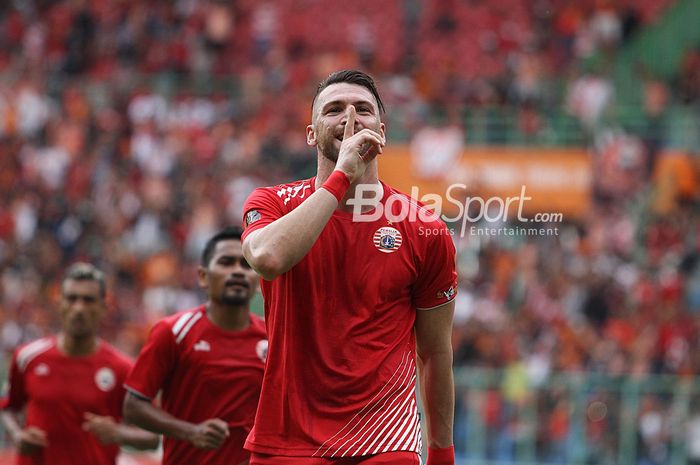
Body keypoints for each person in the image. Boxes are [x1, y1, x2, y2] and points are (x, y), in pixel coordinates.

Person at [241, 70, 458, 465]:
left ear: (382, 131)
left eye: (363, 110)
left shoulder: (424, 229)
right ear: (311, 134)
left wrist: (442, 451)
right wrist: (342, 176)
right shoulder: (273, 202)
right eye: (334, 109)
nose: (351, 117)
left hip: (386, 443)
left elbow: (435, 352)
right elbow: (267, 259)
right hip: (288, 442)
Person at [123, 226, 267, 465]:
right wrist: (190, 431)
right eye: (226, 262)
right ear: (202, 276)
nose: (237, 272)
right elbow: (133, 406)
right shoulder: (174, 332)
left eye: (245, 265)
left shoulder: (272, 337)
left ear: (257, 277)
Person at [0, 262, 159, 465]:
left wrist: (119, 433)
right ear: (60, 304)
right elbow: (8, 408)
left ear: (103, 308)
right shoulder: (27, 357)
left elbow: (153, 437)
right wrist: (17, 435)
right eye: (72, 298)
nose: (79, 308)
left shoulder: (123, 368)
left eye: (88, 300)